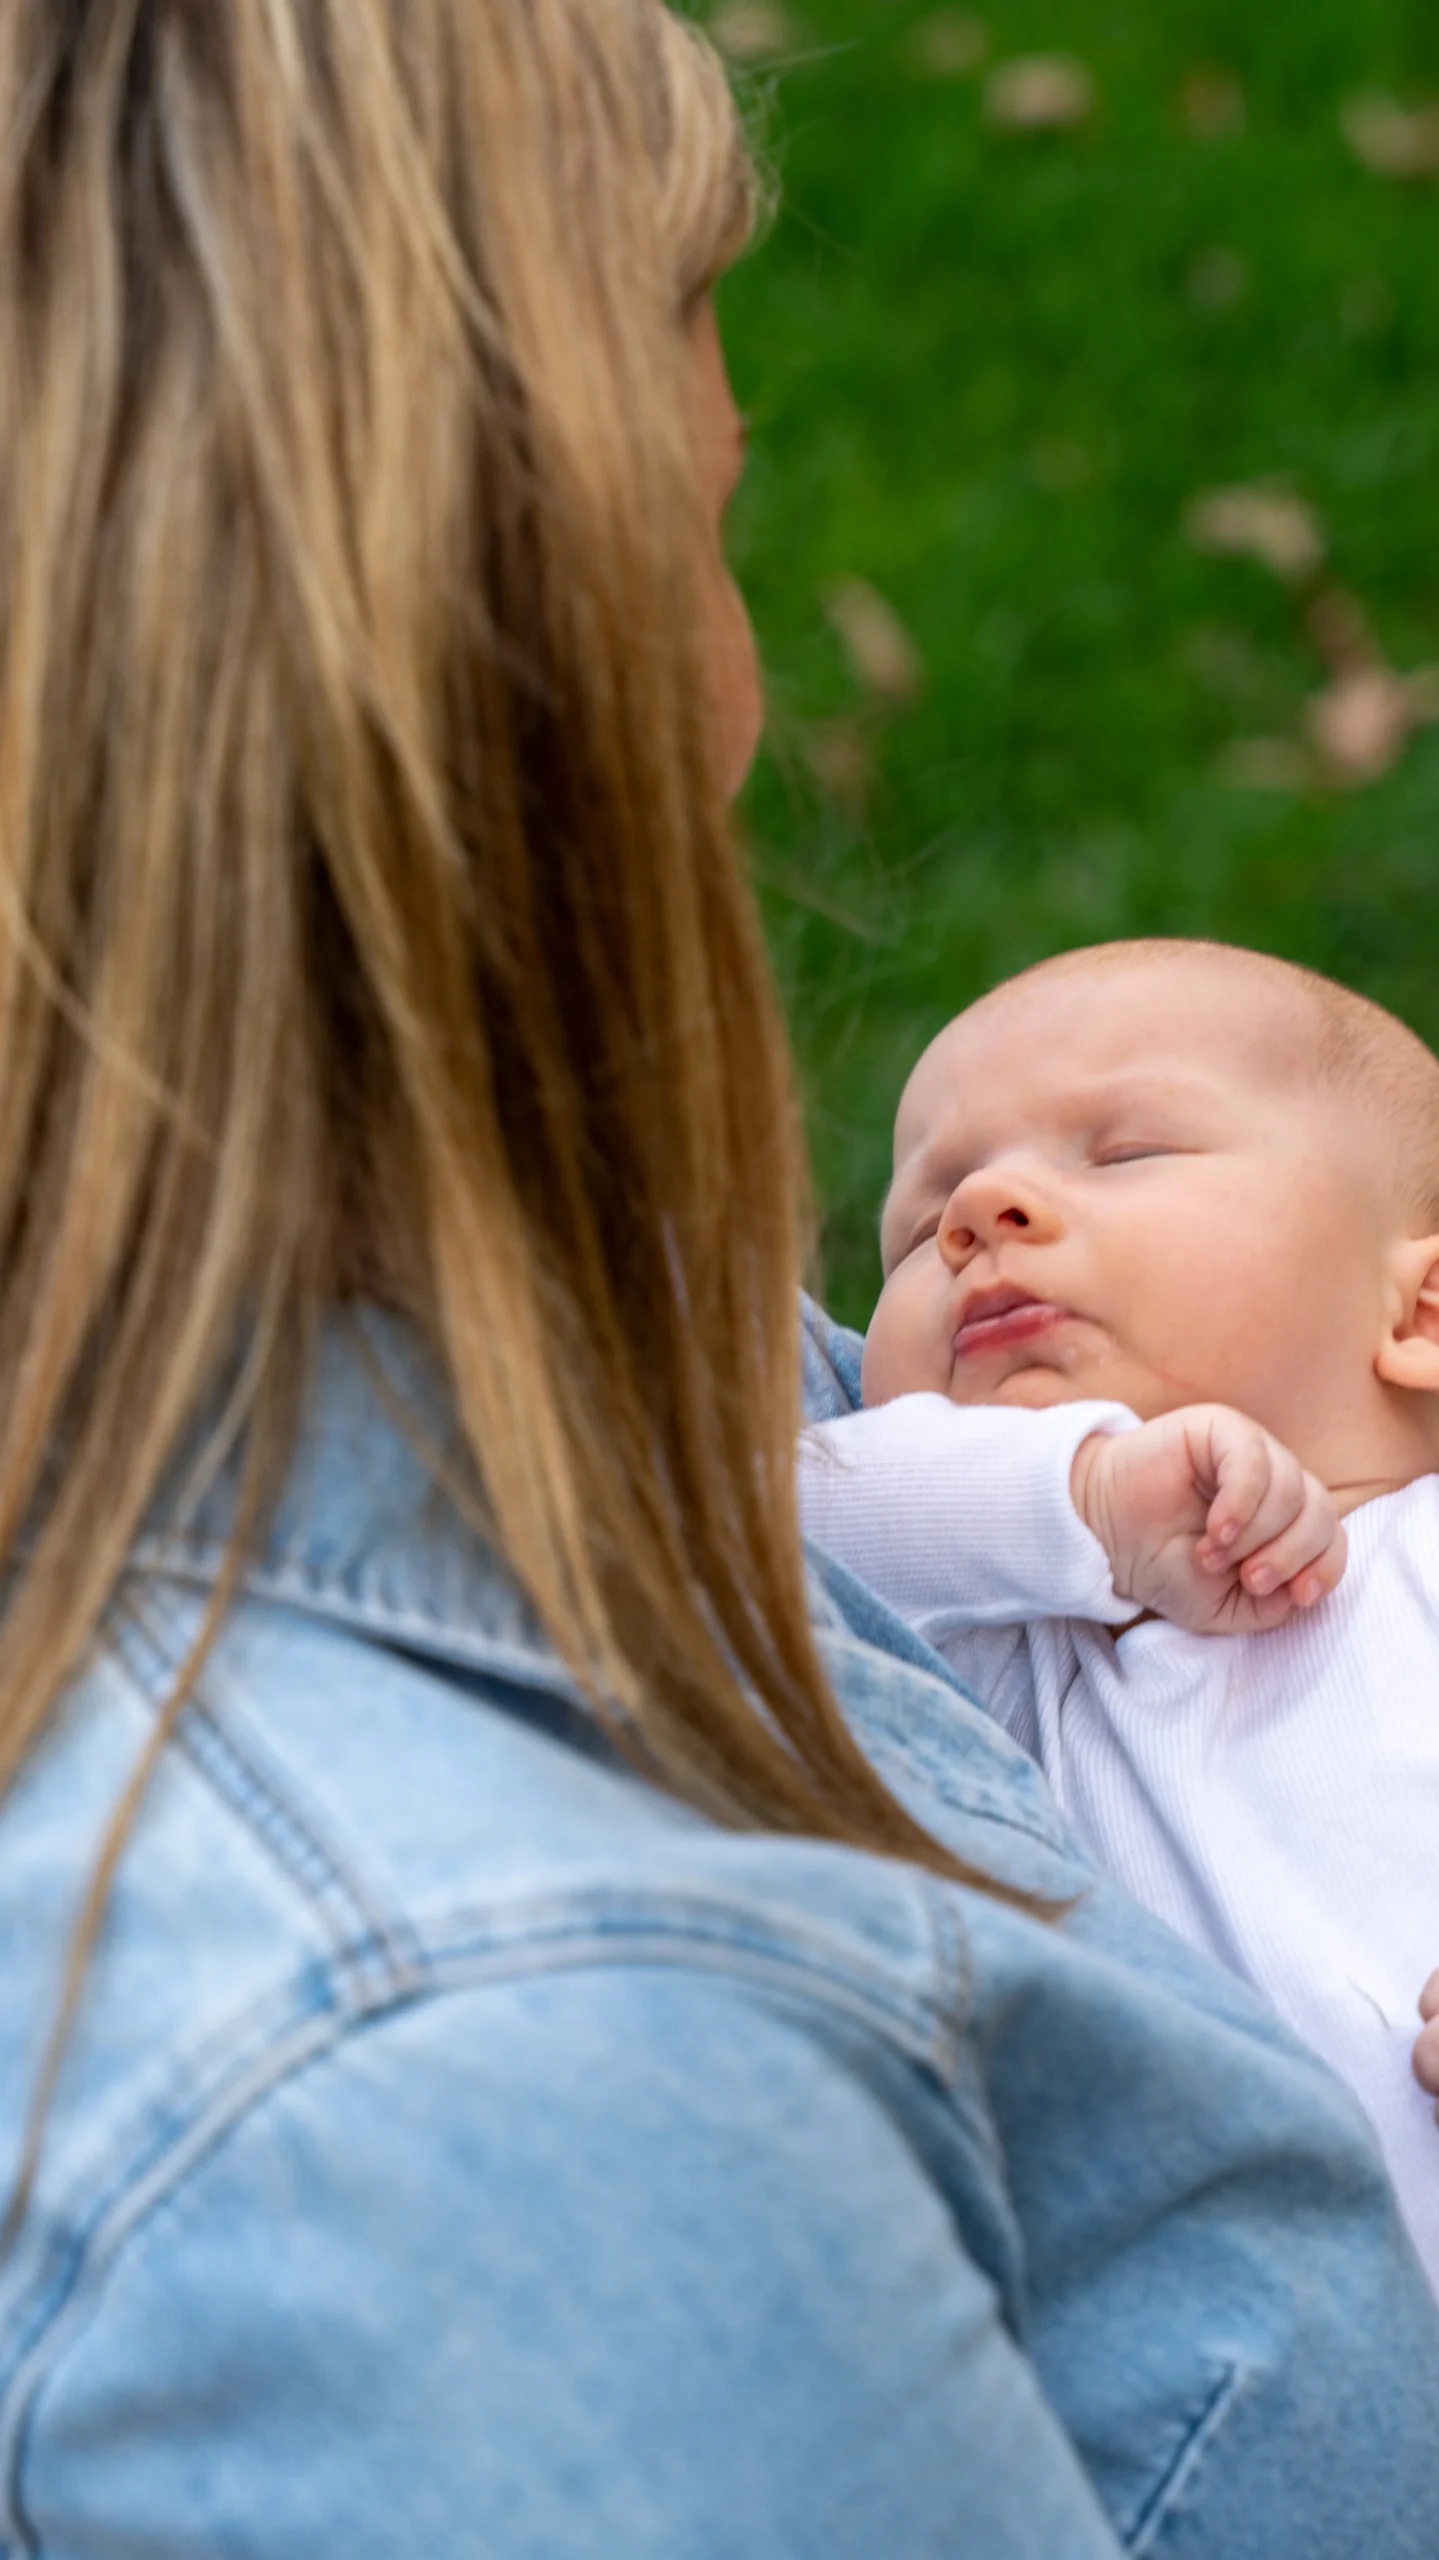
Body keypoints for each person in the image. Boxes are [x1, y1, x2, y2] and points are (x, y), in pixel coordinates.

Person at [0, 6, 1435, 2553]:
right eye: (707, 533)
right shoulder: (500, 2077)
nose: (743, 710)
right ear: (529, 682)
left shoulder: (580, 1387)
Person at [799, 936, 1439, 2285]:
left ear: (1421, 1310)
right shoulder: (1006, 1653)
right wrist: (1080, 1500)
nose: (980, 1209)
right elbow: (777, 1521)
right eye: (917, 1231)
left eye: (1124, 1151)